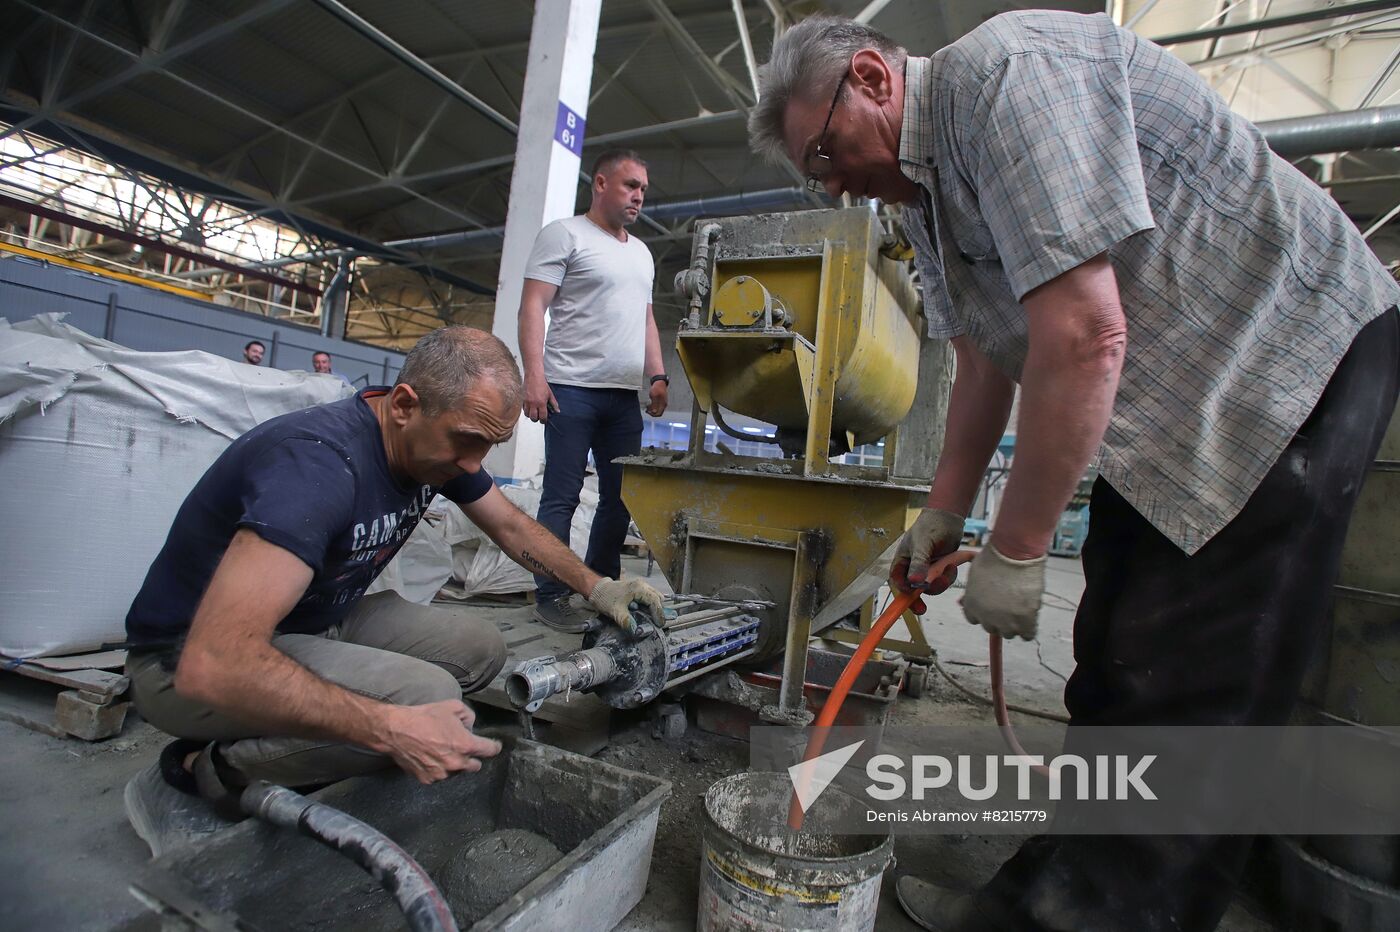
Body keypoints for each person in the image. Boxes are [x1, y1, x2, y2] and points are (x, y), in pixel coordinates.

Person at [749, 11, 1399, 932]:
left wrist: (1018, 549)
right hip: (1169, 394)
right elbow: (981, 359)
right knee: (1113, 646)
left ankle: (1110, 910)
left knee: (1191, 673)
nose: (833, 184)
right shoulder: (920, 197)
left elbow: (1088, 333)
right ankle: (1058, 883)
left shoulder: (1009, 79)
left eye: (824, 153)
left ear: (872, 78)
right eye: (814, 175)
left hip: (1283, 356)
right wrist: (944, 514)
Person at [122, 326, 666, 857]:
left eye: (490, 446)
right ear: (404, 404)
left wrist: (598, 587)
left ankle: (305, 737)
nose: (474, 464)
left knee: (480, 650)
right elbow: (213, 662)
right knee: (428, 700)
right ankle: (210, 769)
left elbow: (510, 526)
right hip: (181, 666)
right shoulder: (317, 466)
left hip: (312, 620)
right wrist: (389, 728)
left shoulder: (433, 439)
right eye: (468, 442)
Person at [517, 148, 669, 631]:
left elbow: (646, 318)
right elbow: (532, 306)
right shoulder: (565, 234)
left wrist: (658, 374)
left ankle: (603, 586)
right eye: (630, 185)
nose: (639, 196)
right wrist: (534, 376)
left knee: (619, 499)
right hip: (570, 388)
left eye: (643, 189)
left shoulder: (641, 253)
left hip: (622, 397)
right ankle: (551, 593)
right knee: (561, 497)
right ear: (601, 184)